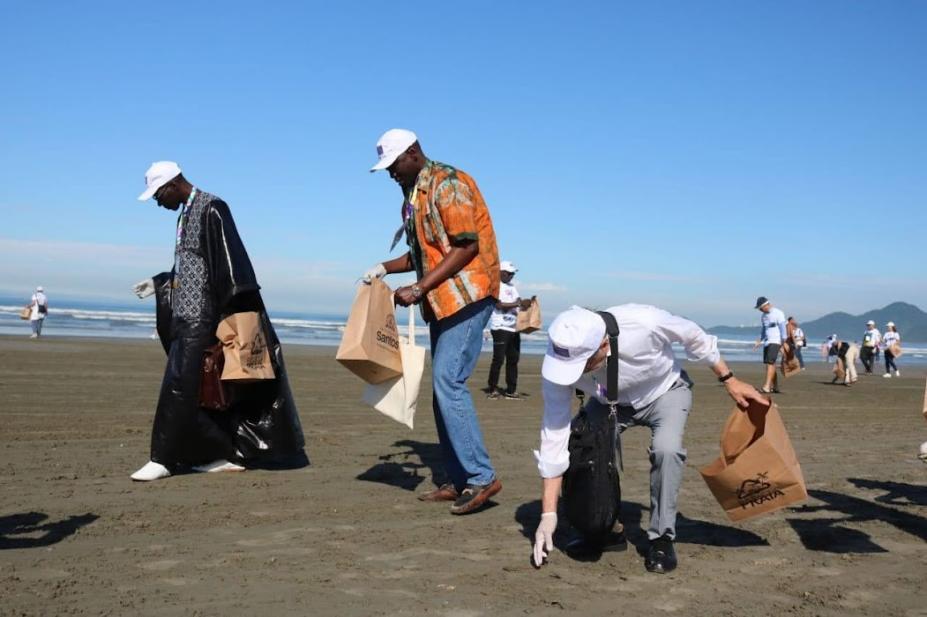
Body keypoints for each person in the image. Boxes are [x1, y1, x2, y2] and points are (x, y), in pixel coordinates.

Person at [531, 304, 768, 574]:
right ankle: (605, 528)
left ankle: (662, 538)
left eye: (583, 364)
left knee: (666, 450)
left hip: (664, 391)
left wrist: (729, 380)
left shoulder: (645, 322)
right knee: (580, 445)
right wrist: (548, 515)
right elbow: (554, 435)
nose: (575, 373)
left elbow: (695, 337)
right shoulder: (557, 364)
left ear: (604, 345)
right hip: (609, 401)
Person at [130, 161, 307, 482]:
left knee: (179, 389)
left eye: (158, 194)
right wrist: (160, 283)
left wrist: (229, 321)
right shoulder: (186, 212)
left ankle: (163, 458)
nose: (158, 202)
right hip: (186, 318)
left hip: (204, 319)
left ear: (172, 184)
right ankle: (219, 453)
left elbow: (232, 266)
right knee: (205, 393)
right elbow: (196, 267)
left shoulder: (212, 208)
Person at [363, 129, 502, 515]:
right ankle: (458, 479)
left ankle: (481, 478)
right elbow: (422, 253)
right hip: (443, 301)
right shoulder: (413, 195)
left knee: (448, 381)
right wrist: (384, 268)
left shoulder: (448, 184)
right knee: (443, 389)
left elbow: (465, 245)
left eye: (393, 165)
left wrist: (419, 288)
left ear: (413, 153)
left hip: (469, 294)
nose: (391, 174)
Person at [487, 261, 532, 400]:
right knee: (498, 359)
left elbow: (518, 301)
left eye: (513, 273)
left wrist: (525, 303)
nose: (512, 276)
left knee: (513, 359)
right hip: (500, 327)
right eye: (509, 273)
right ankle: (492, 388)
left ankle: (511, 390)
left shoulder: (512, 287)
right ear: (500, 272)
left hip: (513, 327)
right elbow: (499, 305)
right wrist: (518, 303)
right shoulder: (494, 286)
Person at [752, 296, 787, 393]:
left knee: (770, 363)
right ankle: (775, 386)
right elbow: (764, 330)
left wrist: (782, 344)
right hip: (767, 342)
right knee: (770, 364)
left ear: (766, 305)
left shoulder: (778, 313)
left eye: (760, 307)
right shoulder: (763, 316)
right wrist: (759, 340)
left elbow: (783, 330)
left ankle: (767, 386)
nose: (760, 310)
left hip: (775, 341)